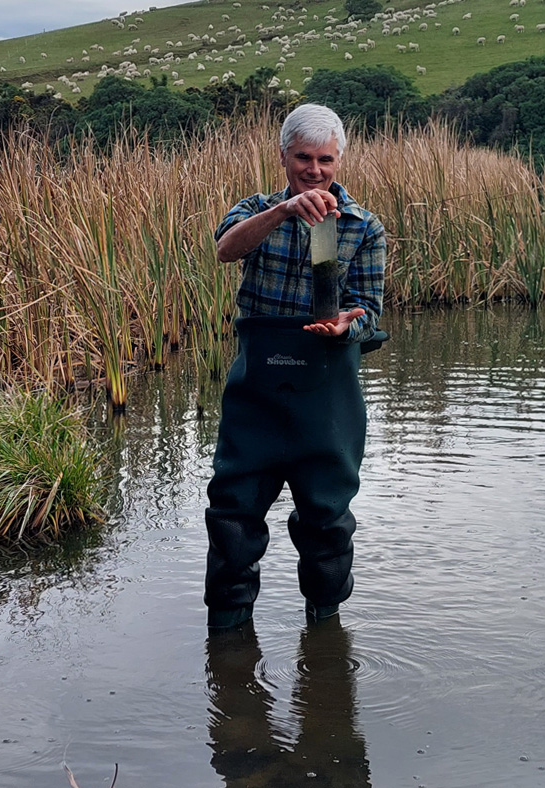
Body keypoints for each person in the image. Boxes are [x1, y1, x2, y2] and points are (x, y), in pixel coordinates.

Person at [205, 103, 386, 629]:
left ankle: (325, 638)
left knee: (327, 523)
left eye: (325, 159)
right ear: (283, 156)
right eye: (303, 158)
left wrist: (344, 328)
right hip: (256, 393)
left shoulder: (362, 227)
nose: (314, 170)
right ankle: (229, 636)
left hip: (327, 395)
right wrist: (284, 212)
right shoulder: (256, 210)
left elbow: (369, 312)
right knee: (233, 516)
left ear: (340, 159)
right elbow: (225, 250)